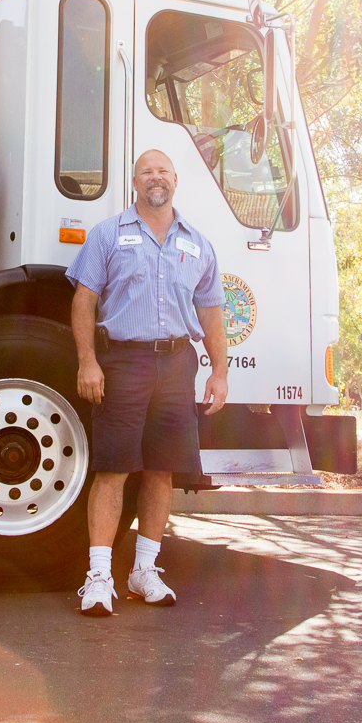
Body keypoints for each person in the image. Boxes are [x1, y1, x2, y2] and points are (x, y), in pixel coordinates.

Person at [64, 149, 229, 615]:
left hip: (178, 366)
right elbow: (84, 301)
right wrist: (87, 362)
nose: (155, 178)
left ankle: (143, 572)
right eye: (146, 172)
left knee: (162, 470)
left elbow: (211, 311)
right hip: (124, 363)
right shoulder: (107, 235)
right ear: (134, 182)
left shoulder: (197, 243)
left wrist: (219, 370)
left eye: (162, 171)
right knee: (113, 469)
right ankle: (98, 578)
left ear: (175, 180)